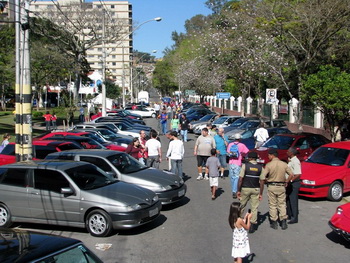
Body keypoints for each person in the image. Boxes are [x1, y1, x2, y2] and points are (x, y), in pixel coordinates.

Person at [261, 148, 294, 230]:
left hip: (272, 186)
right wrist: (287, 181)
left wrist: (266, 180)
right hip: (281, 186)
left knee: (273, 205)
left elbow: (262, 176)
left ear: (272, 155)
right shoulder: (284, 164)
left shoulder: (269, 165)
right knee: (282, 204)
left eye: (268, 155)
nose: (268, 156)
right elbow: (291, 174)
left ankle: (274, 221)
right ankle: (283, 221)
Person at [237, 151, 265, 233]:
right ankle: (252, 224)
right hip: (255, 189)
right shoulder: (260, 168)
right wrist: (261, 193)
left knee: (242, 205)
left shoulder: (245, 166)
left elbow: (240, 179)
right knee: (254, 207)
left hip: (245, 188)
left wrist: (238, 190)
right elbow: (262, 181)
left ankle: (239, 222)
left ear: (250, 158)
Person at [227, 134, 249, 199]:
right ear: (239, 139)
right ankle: (235, 190)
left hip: (231, 162)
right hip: (238, 162)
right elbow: (246, 152)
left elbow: (228, 153)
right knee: (237, 177)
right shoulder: (242, 145)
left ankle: (233, 189)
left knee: (232, 177)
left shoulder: (230, 144)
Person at [286, 147, 302, 224]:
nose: (287, 152)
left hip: (294, 183)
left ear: (292, 153)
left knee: (293, 200)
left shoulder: (295, 161)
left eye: (288, 151)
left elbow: (298, 174)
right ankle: (289, 214)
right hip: (289, 183)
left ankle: (294, 218)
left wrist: (291, 180)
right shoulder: (290, 160)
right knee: (288, 200)